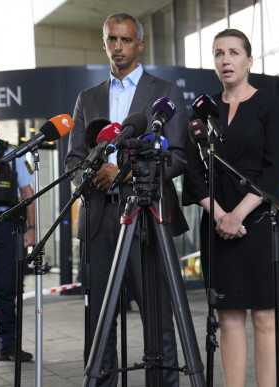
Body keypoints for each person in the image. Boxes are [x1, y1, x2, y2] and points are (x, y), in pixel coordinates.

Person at [65, 13, 189, 387]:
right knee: (98, 323)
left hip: (149, 218)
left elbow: (178, 155)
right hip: (101, 220)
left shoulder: (165, 92)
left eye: (125, 39)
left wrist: (126, 172)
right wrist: (92, 176)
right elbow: (73, 161)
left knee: (158, 319)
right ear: (104, 43)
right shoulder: (88, 98)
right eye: (111, 40)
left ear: (140, 43)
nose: (118, 47)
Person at [182, 29, 279, 387]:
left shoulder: (270, 105)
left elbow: (274, 171)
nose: (225, 60)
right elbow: (194, 174)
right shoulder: (203, 111)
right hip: (218, 226)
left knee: (264, 319)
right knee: (228, 318)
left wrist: (238, 215)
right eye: (218, 53)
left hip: (260, 223)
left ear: (249, 59)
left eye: (233, 52)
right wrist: (221, 217)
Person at [0, 103, 35, 362]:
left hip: (5, 224)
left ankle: (9, 346)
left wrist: (32, 228)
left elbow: (27, 194)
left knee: (6, 288)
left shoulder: (13, 153)